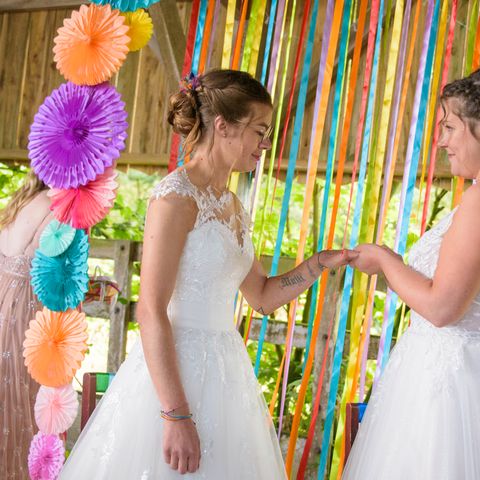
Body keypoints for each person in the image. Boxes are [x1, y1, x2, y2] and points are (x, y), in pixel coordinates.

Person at [60, 69, 356, 478]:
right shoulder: (174, 198)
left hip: (226, 374)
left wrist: (318, 264)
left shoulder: (234, 206)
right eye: (259, 131)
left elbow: (262, 296)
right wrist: (176, 415)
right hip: (173, 378)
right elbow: (150, 310)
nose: (265, 145)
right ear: (224, 126)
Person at [342, 67, 480, 479]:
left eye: (450, 127)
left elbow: (442, 307)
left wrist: (387, 262)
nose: (441, 141)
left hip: (450, 394)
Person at [0, 171, 53, 479]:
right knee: (23, 413)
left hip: (3, 310)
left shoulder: (20, 201)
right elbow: (59, 285)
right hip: (26, 321)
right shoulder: (61, 207)